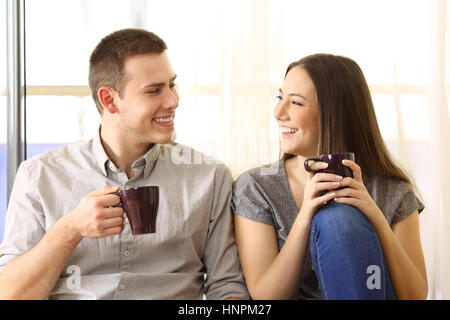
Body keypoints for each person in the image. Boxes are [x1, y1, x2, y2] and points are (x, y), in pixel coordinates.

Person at [0, 28, 248, 300]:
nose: (173, 101)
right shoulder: (40, 176)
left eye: (172, 85)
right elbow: (9, 293)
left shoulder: (210, 178)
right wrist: (70, 229)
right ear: (109, 100)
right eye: (154, 91)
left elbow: (227, 288)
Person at [231, 54, 427, 300]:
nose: (278, 112)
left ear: (334, 114)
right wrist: (305, 217)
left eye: (296, 103)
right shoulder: (256, 187)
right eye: (280, 98)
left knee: (340, 217)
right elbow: (267, 297)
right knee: (333, 217)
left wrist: (374, 217)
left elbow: (414, 296)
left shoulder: (394, 191)